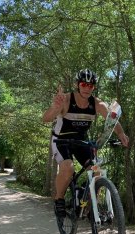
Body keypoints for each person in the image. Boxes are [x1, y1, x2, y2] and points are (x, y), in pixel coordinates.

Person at [42, 69, 129, 218]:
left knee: (97, 171)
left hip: (81, 142)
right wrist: (55, 107)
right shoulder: (67, 100)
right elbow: (46, 118)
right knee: (68, 169)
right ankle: (59, 200)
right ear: (78, 85)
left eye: (91, 85)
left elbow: (112, 119)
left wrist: (121, 134)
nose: (87, 88)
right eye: (84, 84)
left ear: (93, 87)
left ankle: (89, 204)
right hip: (61, 141)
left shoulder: (96, 104)